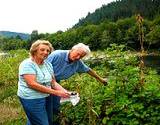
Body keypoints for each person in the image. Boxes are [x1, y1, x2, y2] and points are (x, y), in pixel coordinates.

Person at [47, 43, 107, 124]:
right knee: (43, 105)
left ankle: (53, 122)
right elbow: (42, 66)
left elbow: (88, 70)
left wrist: (101, 79)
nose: (78, 57)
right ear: (72, 49)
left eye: (81, 56)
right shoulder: (57, 55)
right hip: (42, 81)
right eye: (78, 54)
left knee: (55, 106)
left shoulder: (78, 62)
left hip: (55, 83)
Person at [17, 40, 70, 125]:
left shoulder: (47, 64)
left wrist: (66, 92)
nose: (45, 52)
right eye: (42, 50)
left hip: (46, 96)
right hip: (31, 98)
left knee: (46, 120)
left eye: (48, 51)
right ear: (34, 50)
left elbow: (53, 83)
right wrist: (57, 93)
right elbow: (32, 84)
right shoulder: (27, 64)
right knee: (42, 122)